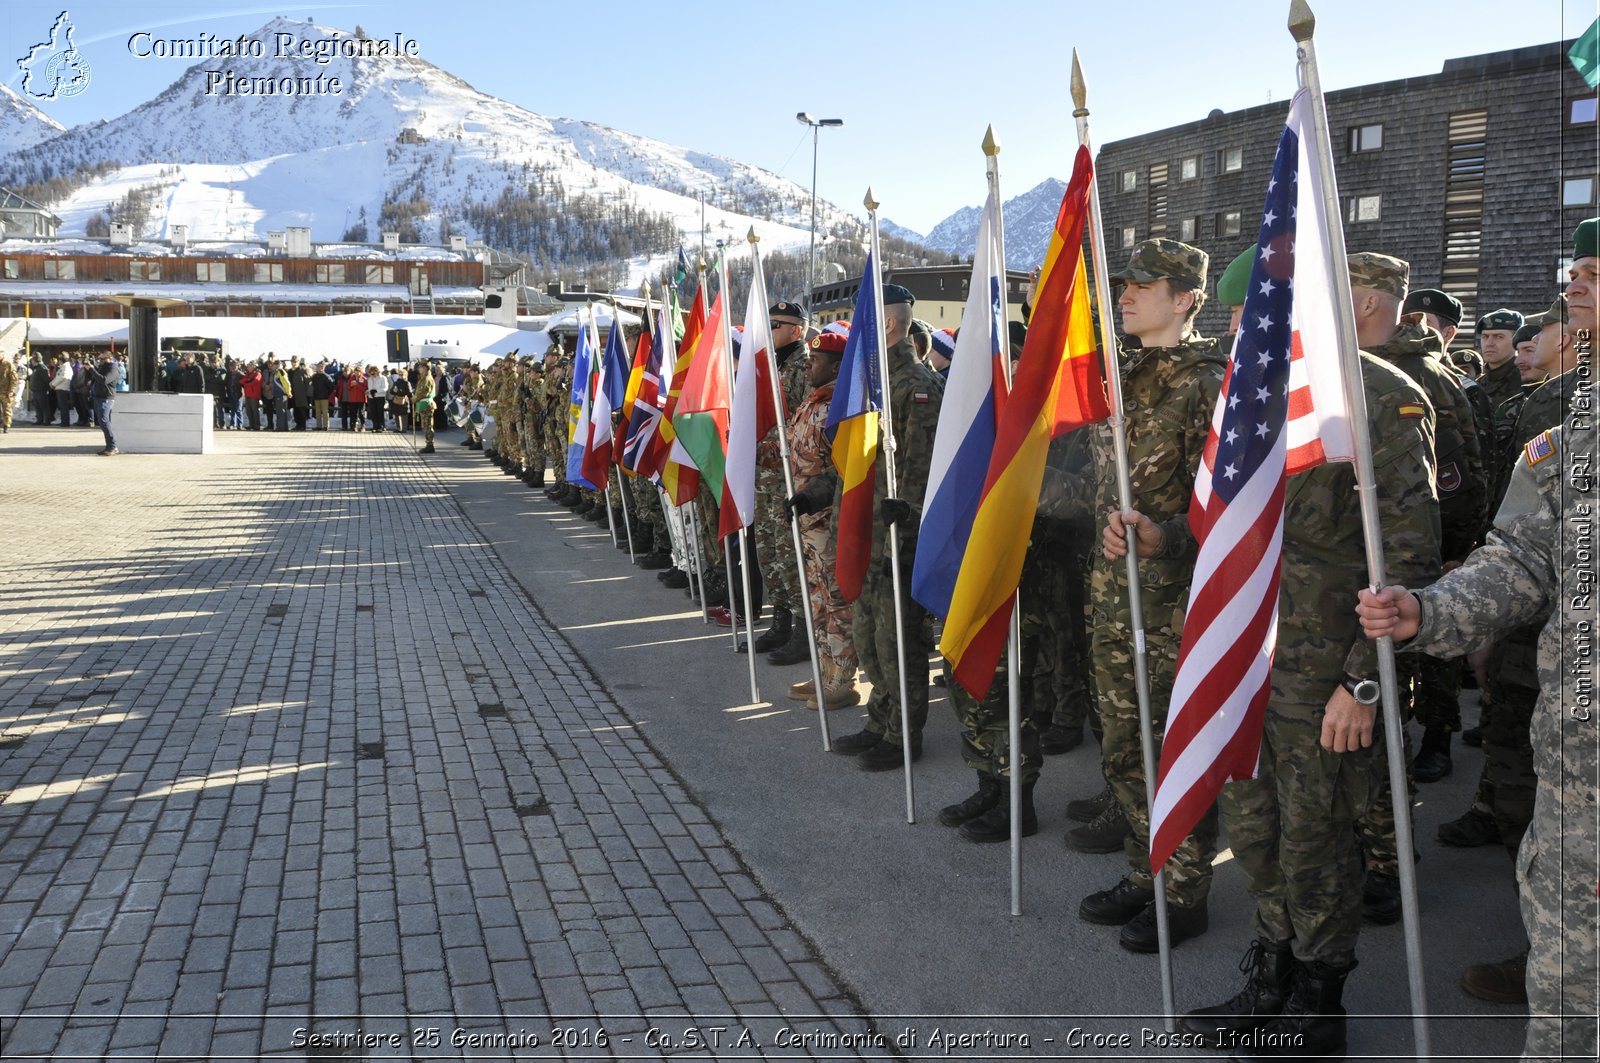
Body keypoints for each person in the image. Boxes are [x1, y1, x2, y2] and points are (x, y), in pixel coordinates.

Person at [1171, 347, 1439, 1058]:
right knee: (1255, 832)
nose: (1240, 325)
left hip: (1326, 678)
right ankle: (1271, 980)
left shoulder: (1376, 394)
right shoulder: (1250, 389)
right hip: (1248, 662)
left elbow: (1410, 561)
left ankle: (1318, 1005)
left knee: (1315, 841)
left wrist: (1361, 684)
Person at [1355, 412, 1596, 1063]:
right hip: (1581, 790)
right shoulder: (1578, 433)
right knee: (1569, 1005)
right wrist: (1432, 609)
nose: (1575, 299)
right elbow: (1521, 558)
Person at [1054, 238, 1226, 952]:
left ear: (1185, 297)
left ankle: (1182, 890)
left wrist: (1167, 536)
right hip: (1111, 592)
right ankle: (1142, 867)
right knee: (1123, 745)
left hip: (1173, 601)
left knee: (1170, 745)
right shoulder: (1116, 375)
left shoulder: (1210, 382)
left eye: (1143, 286)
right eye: (1121, 284)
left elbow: (1231, 506)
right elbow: (1092, 483)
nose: (1123, 295)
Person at [827, 284, 945, 771]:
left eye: (865, 323)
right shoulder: (868, 385)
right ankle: (880, 719)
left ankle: (904, 734)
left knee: (900, 644)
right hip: (869, 537)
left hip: (900, 539)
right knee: (873, 642)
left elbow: (926, 467)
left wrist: (909, 517)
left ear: (890, 325)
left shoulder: (914, 385)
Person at [784, 330, 859, 711]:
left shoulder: (839, 409)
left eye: (817, 361)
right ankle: (825, 668)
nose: (809, 365)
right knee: (816, 599)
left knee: (836, 599)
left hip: (829, 521)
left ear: (837, 366)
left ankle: (843, 676)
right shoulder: (812, 402)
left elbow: (842, 470)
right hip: (808, 522)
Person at [752, 301, 814, 664]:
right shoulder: (769, 364)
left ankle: (803, 633)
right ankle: (780, 623)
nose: (770, 329)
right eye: (769, 323)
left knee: (791, 558)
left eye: (777, 324)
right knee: (769, 553)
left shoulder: (807, 367)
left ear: (797, 330)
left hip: (790, 477)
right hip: (766, 477)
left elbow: (805, 426)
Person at [1476, 308, 1526, 408]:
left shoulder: (1526, 381)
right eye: (1485, 337)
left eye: (1499, 337)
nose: (1489, 344)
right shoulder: (1476, 385)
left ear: (1516, 339)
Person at [88, 349, 123, 455]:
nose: (100, 361)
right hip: (98, 397)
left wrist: (92, 369)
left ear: (109, 358)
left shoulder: (113, 367)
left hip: (106, 398)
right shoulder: (103, 367)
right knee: (102, 422)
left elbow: (104, 380)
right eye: (99, 359)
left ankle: (112, 446)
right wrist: (90, 370)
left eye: (102, 359)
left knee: (104, 421)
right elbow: (97, 379)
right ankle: (109, 446)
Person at [415, 358, 437, 454]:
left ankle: (430, 445)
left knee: (428, 425)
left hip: (427, 404)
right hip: (423, 404)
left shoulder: (427, 379)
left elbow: (425, 392)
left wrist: (415, 398)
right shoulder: (422, 378)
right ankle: (428, 444)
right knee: (425, 425)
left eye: (420, 367)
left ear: (425, 368)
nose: (419, 369)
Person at [366, 365, 389, 431]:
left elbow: (385, 388)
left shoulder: (383, 378)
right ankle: (375, 426)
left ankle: (381, 426)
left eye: (373, 373)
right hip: (371, 397)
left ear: (377, 371)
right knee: (373, 412)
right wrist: (369, 391)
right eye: (371, 373)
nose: (372, 374)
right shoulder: (370, 379)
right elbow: (369, 387)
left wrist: (377, 390)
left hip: (380, 397)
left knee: (380, 412)